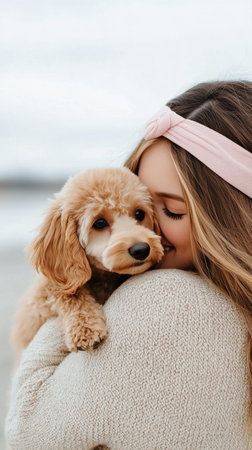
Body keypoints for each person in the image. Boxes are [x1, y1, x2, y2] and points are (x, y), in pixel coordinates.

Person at [5, 80, 252, 449]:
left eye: (168, 211)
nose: (146, 231)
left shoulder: (164, 301)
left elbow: (28, 433)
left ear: (231, 221)